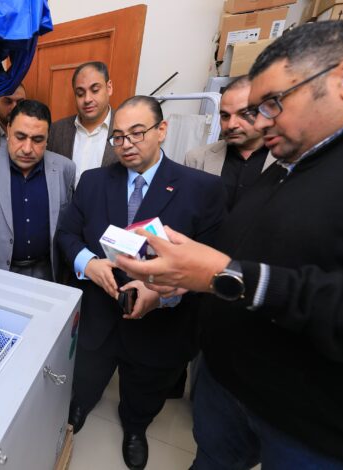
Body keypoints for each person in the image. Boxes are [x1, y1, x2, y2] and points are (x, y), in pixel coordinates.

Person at [116, 21, 343, 470]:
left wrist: (226, 277)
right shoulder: (301, 153)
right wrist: (186, 278)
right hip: (230, 391)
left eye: (273, 104)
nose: (262, 122)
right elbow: (258, 252)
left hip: (317, 430)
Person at [55, 96, 225, 469]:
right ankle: (80, 406)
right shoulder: (93, 181)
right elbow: (67, 234)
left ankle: (135, 427)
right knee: (86, 375)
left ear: (162, 130)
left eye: (137, 133)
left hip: (159, 322)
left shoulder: (201, 189)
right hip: (99, 311)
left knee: (145, 387)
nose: (126, 144)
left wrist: (161, 294)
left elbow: (210, 266)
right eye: (118, 137)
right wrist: (89, 264)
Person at [0, 99, 75, 281]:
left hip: (48, 275)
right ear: (9, 130)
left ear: (48, 137)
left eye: (37, 140)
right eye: (20, 137)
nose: (27, 149)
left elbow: (69, 226)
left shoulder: (65, 169)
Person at [184, 75, 276, 210]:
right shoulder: (197, 159)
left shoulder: (291, 161)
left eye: (244, 114)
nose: (231, 125)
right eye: (225, 116)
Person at [48, 61, 118, 185]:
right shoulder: (56, 130)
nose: (87, 99)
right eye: (80, 93)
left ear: (109, 88)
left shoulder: (125, 129)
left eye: (95, 90)